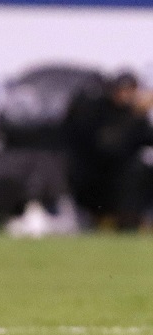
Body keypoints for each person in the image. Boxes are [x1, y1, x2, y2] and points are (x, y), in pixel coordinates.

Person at [64, 71, 153, 230]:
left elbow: (146, 139)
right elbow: (109, 147)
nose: (126, 95)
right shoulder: (98, 110)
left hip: (122, 180)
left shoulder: (133, 114)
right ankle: (126, 223)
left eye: (131, 91)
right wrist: (136, 116)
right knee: (135, 171)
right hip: (96, 179)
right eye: (123, 90)